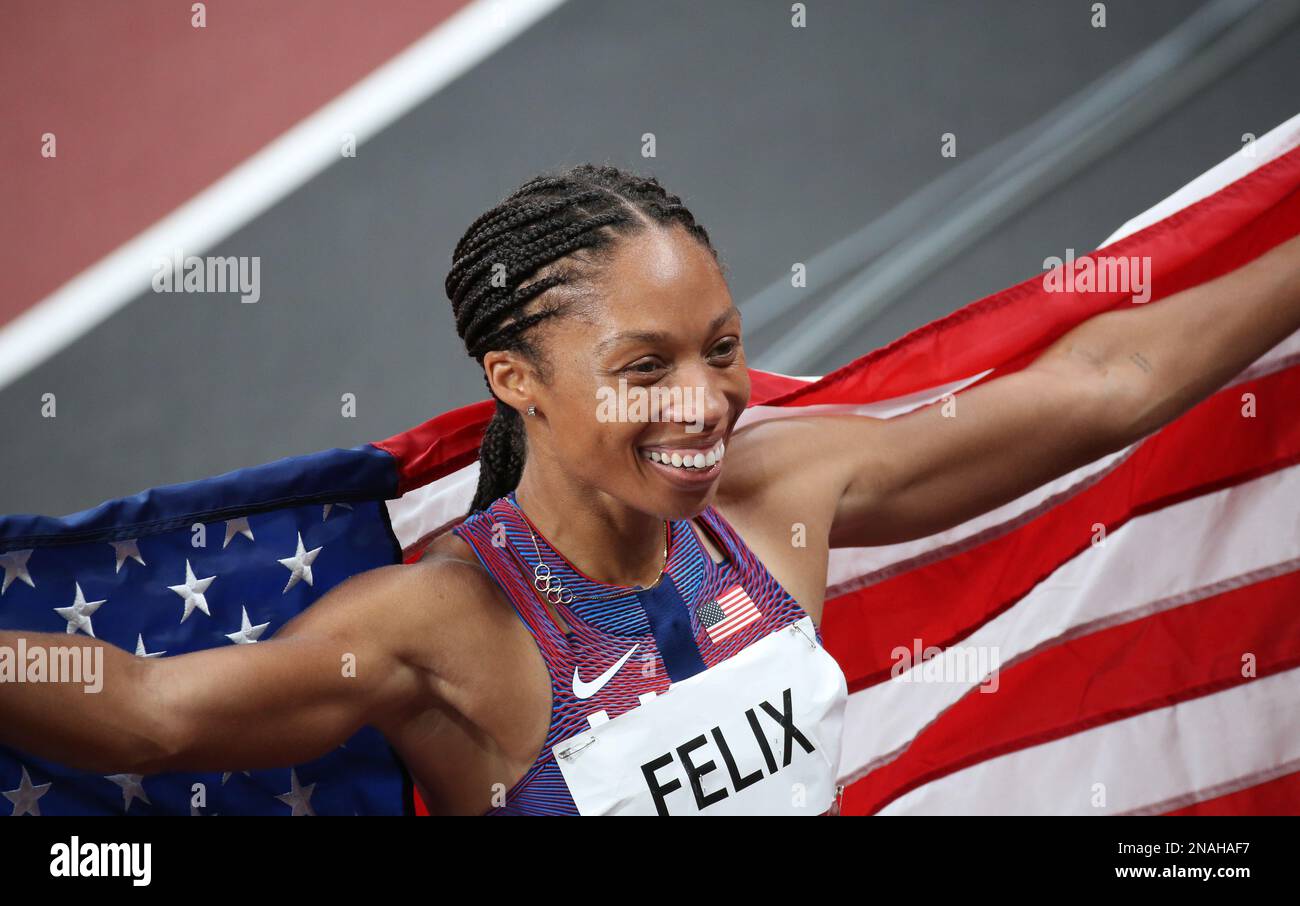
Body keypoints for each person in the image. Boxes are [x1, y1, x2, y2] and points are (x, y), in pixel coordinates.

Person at [3, 164, 1299, 815]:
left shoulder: (780, 490)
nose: (706, 402)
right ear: (517, 378)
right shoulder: (446, 627)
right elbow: (152, 715)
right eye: (645, 368)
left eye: (722, 349)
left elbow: (1111, 381)